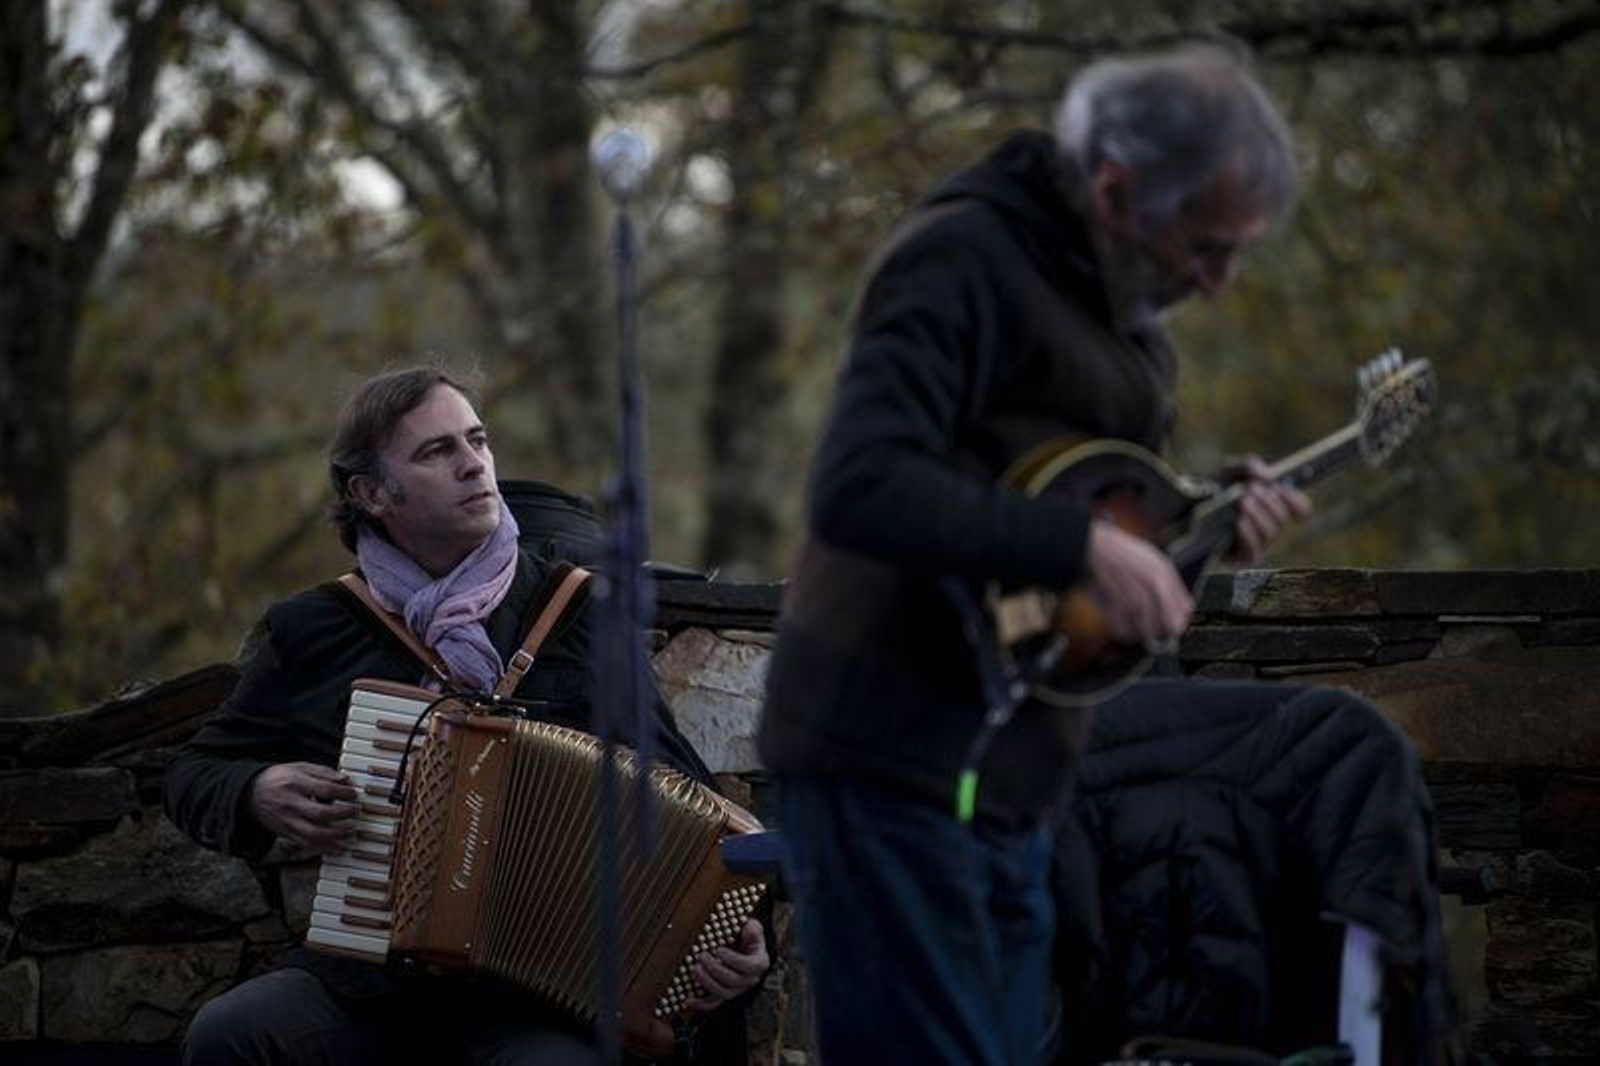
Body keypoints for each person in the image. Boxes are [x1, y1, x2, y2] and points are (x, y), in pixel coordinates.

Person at [758, 44, 1449, 1065]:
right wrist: (1081, 542)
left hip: (1018, 783)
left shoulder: (1138, 335)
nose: (1216, 284)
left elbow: (1088, 583)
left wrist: (1190, 545)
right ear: (1119, 191)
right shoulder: (961, 258)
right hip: (884, 761)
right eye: (1206, 248)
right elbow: (859, 483)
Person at [164, 366, 769, 1066]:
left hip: (539, 1001)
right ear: (370, 493)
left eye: (476, 440)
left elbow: (696, 813)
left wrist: (742, 941)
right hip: (372, 983)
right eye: (435, 452)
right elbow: (194, 772)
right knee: (230, 1036)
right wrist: (255, 789)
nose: (472, 464)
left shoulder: (577, 614)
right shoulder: (316, 628)